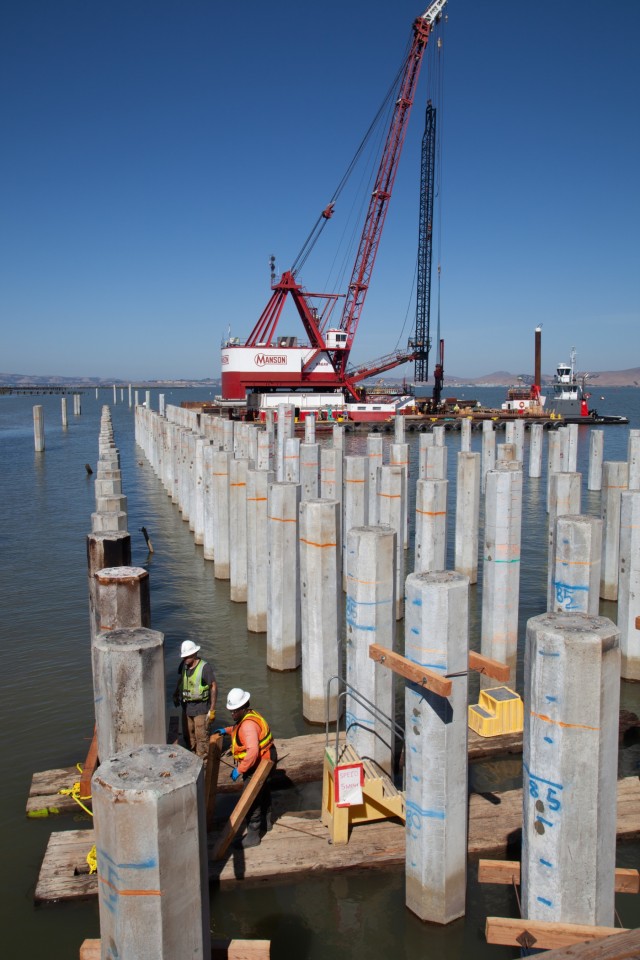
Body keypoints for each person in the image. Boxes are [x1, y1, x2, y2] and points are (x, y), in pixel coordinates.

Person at [213, 687, 277, 848]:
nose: (232, 714)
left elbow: (253, 751)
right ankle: (266, 824)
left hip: (260, 764)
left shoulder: (248, 725)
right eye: (231, 711)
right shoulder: (249, 715)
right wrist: (226, 731)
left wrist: (239, 769)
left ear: (243, 707)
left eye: (235, 711)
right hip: (267, 759)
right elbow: (237, 729)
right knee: (263, 792)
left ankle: (253, 835)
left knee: (251, 798)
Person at [173, 640, 218, 766]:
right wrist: (176, 693)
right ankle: (193, 756)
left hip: (201, 708)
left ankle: (202, 763)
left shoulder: (205, 668)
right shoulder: (183, 666)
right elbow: (181, 680)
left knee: (201, 736)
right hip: (187, 707)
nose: (186, 659)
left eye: (188, 656)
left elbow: (213, 687)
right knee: (188, 735)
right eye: (184, 656)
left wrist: (212, 709)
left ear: (195, 653)